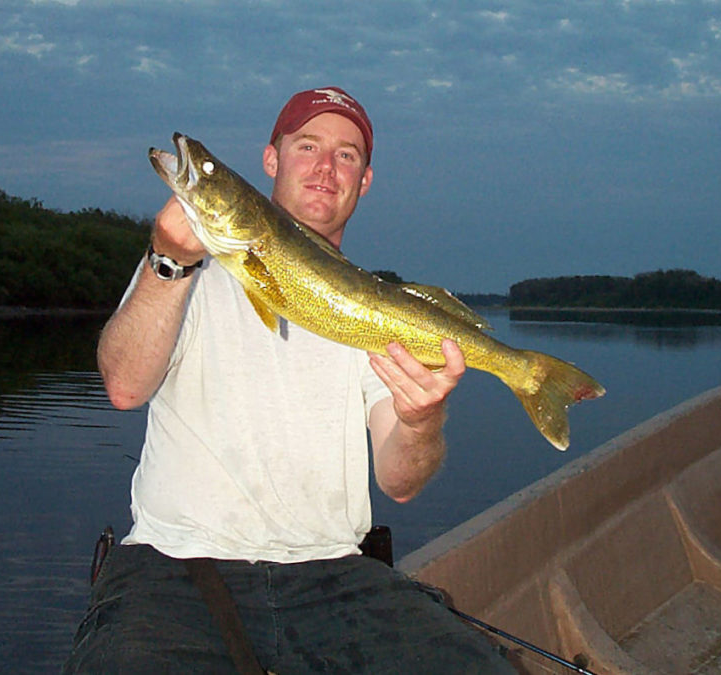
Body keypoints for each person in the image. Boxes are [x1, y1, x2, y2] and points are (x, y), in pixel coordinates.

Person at [65, 87, 515, 673]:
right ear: (270, 162)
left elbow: (401, 482)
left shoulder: (380, 313)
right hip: (174, 566)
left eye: (347, 155)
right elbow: (123, 387)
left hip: (333, 574)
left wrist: (420, 418)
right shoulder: (182, 271)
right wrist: (167, 261)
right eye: (308, 146)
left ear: (365, 181)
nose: (327, 167)